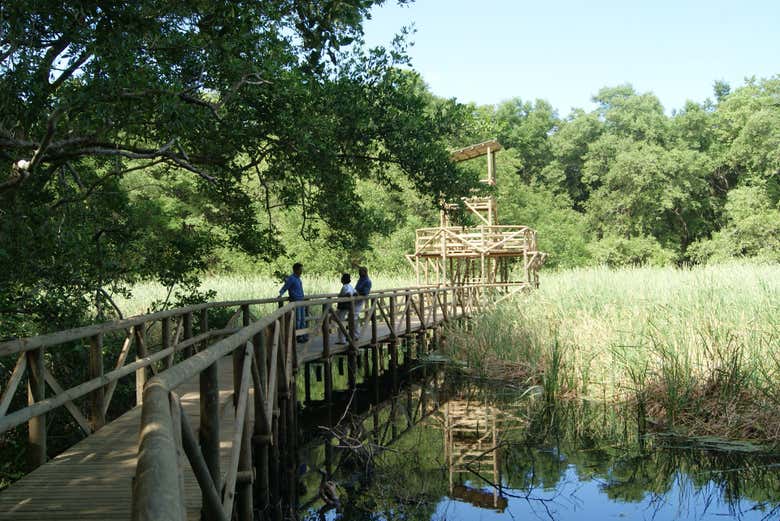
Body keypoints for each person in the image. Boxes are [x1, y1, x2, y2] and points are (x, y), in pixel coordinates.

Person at [279, 262, 308, 342]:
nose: (301, 271)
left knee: (302, 319)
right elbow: (285, 287)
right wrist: (280, 294)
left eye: (302, 270)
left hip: (301, 300)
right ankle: (298, 336)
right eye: (300, 270)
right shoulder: (291, 278)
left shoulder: (298, 278)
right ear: (295, 270)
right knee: (298, 319)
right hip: (295, 301)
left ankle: (303, 335)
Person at [336, 273, 356, 344]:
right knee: (343, 322)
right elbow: (355, 293)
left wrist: (341, 297)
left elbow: (348, 294)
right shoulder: (350, 286)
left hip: (343, 307)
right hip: (348, 307)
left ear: (343, 280)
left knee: (340, 322)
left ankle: (342, 340)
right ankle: (345, 338)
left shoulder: (345, 287)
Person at [353, 266, 372, 338]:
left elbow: (365, 292)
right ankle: (354, 334)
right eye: (359, 272)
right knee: (353, 316)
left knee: (354, 316)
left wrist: (358, 293)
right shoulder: (360, 279)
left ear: (365, 272)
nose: (359, 273)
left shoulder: (367, 281)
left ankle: (355, 335)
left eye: (361, 272)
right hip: (355, 300)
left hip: (359, 300)